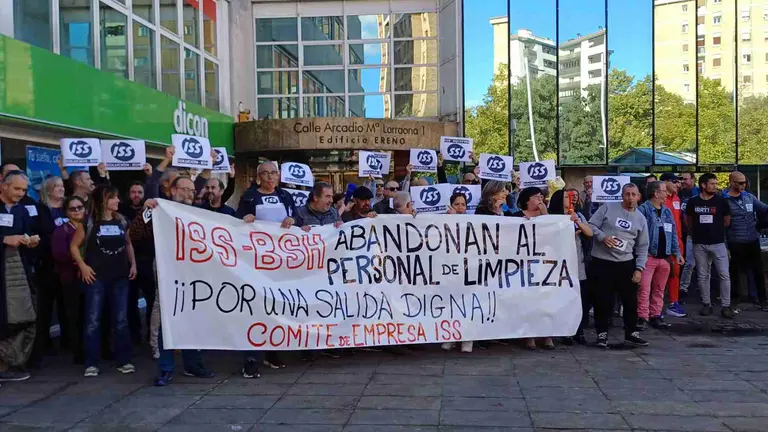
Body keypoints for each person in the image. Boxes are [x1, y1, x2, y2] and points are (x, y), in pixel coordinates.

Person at [137, 177, 217, 386]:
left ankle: (193, 363)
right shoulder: (159, 209)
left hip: (194, 270)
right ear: (172, 189)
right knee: (168, 317)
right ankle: (166, 368)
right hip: (168, 269)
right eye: (185, 189)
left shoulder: (198, 212)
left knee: (193, 317)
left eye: (192, 190)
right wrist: (145, 210)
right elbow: (136, 233)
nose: (190, 193)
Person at [70, 186, 137, 377]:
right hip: (96, 277)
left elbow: (128, 243)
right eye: (113, 198)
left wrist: (133, 265)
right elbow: (74, 246)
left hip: (120, 276)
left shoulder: (122, 220)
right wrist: (83, 266)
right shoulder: (89, 221)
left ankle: (124, 360)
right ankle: (91, 362)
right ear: (103, 200)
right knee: (93, 320)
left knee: (121, 319)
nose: (117, 201)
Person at [237, 161, 296, 374]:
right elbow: (235, 222)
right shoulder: (249, 197)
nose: (270, 177)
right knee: (255, 310)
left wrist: (293, 219)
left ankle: (272, 353)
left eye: (274, 173)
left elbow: (296, 217)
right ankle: (251, 359)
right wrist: (245, 218)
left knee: (276, 308)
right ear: (258, 176)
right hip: (257, 262)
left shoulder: (286, 196)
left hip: (281, 262)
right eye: (266, 174)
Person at [588, 183, 650, 349]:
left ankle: (631, 333)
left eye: (633, 195)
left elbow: (643, 246)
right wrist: (602, 237)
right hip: (602, 261)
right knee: (603, 300)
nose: (630, 198)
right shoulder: (607, 208)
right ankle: (602, 334)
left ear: (639, 197)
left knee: (630, 301)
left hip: (626, 263)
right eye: (627, 194)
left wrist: (639, 268)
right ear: (622, 195)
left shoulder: (641, 218)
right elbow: (590, 225)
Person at [0, 172, 39, 382]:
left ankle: (9, 362)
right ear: (3, 186)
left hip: (16, 274)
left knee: (17, 317)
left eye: (24, 190)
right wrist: (4, 238)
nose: (21, 194)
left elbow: (25, 236)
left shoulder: (22, 210)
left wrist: (30, 241)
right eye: (17, 189)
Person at [507, 187, 555, 350]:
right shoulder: (516, 217)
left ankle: (547, 335)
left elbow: (554, 233)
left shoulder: (547, 217)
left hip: (544, 264)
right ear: (527, 200)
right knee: (527, 301)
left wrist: (545, 214)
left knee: (545, 300)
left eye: (542, 197)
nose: (540, 200)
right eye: (536, 197)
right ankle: (529, 336)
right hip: (522, 266)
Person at [29, 176, 68, 366]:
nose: (61, 189)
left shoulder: (69, 208)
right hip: (47, 266)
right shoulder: (39, 210)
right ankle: (41, 347)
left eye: (62, 186)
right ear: (48, 190)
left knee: (67, 305)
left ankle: (68, 343)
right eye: (57, 186)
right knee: (44, 308)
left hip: (68, 266)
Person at [637, 181, 684, 330]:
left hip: (664, 257)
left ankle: (655, 315)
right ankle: (642, 316)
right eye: (663, 191)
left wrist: (676, 253)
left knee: (659, 288)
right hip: (648, 256)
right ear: (656, 193)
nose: (666, 194)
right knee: (644, 289)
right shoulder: (643, 210)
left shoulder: (667, 211)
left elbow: (673, 234)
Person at [548, 188, 593, 345]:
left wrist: (577, 222)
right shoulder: (552, 218)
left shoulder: (578, 215)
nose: (572, 199)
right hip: (559, 267)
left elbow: (589, 232)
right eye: (567, 197)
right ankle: (564, 331)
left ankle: (578, 331)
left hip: (577, 264)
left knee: (579, 298)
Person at [685, 173, 733, 318]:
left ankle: (726, 305)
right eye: (712, 183)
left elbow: (727, 221)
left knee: (724, 274)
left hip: (718, 243)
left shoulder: (722, 202)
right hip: (699, 243)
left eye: (715, 183)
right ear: (703, 185)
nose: (715, 186)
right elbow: (689, 221)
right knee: (702, 275)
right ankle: (707, 304)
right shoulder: (693, 202)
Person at [723, 171, 768, 311]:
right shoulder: (723, 199)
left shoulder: (749, 197)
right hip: (735, 240)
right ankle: (735, 300)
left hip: (752, 239)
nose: (744, 185)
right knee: (735, 271)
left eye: (745, 182)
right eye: (740, 183)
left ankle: (762, 300)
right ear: (732, 182)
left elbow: (764, 209)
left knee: (758, 271)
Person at [52, 196, 87, 364]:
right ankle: (78, 351)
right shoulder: (61, 230)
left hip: (91, 277)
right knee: (74, 316)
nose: (77, 211)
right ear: (66, 212)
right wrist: (79, 261)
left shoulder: (89, 226)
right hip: (71, 278)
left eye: (80, 207)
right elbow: (59, 254)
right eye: (73, 208)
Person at [660, 173, 687, 318]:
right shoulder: (659, 200)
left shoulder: (677, 198)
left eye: (679, 181)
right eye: (675, 181)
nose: (678, 184)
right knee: (658, 275)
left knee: (675, 274)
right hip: (662, 241)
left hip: (677, 241)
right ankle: (655, 307)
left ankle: (673, 303)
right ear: (665, 182)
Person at [679, 173, 698, 297]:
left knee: (693, 263)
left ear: (693, 179)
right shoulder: (678, 193)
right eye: (680, 179)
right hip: (680, 234)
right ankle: (683, 289)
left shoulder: (699, 192)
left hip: (694, 233)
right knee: (686, 263)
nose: (682, 181)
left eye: (685, 179)